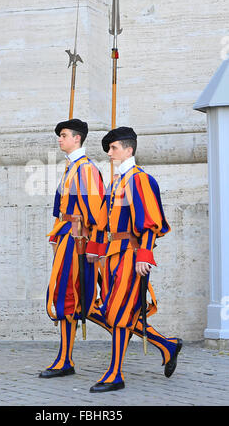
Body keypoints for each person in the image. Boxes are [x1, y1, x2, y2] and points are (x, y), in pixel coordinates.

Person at [89, 126, 182, 393]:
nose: (109, 153)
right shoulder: (116, 181)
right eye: (108, 148)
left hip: (131, 255)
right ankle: (167, 345)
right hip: (111, 255)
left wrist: (145, 255)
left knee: (118, 314)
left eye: (114, 148)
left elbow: (151, 223)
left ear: (128, 150)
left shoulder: (140, 179)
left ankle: (115, 374)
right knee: (118, 312)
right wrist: (95, 249)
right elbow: (103, 222)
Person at [39, 118, 108, 379]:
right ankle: (64, 358)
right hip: (68, 237)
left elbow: (97, 214)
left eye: (64, 135)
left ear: (77, 138)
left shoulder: (86, 170)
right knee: (68, 299)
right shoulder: (71, 168)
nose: (60, 139)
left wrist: (94, 245)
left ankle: (163, 343)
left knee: (73, 299)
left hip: (79, 240)